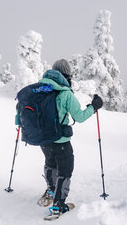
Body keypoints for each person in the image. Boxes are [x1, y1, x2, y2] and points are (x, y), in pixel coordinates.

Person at [35, 59, 103, 216]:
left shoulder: (39, 89)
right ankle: (58, 206)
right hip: (61, 141)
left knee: (50, 164)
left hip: (43, 140)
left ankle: (51, 191)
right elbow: (79, 117)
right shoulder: (65, 93)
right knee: (65, 171)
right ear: (66, 76)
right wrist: (94, 107)